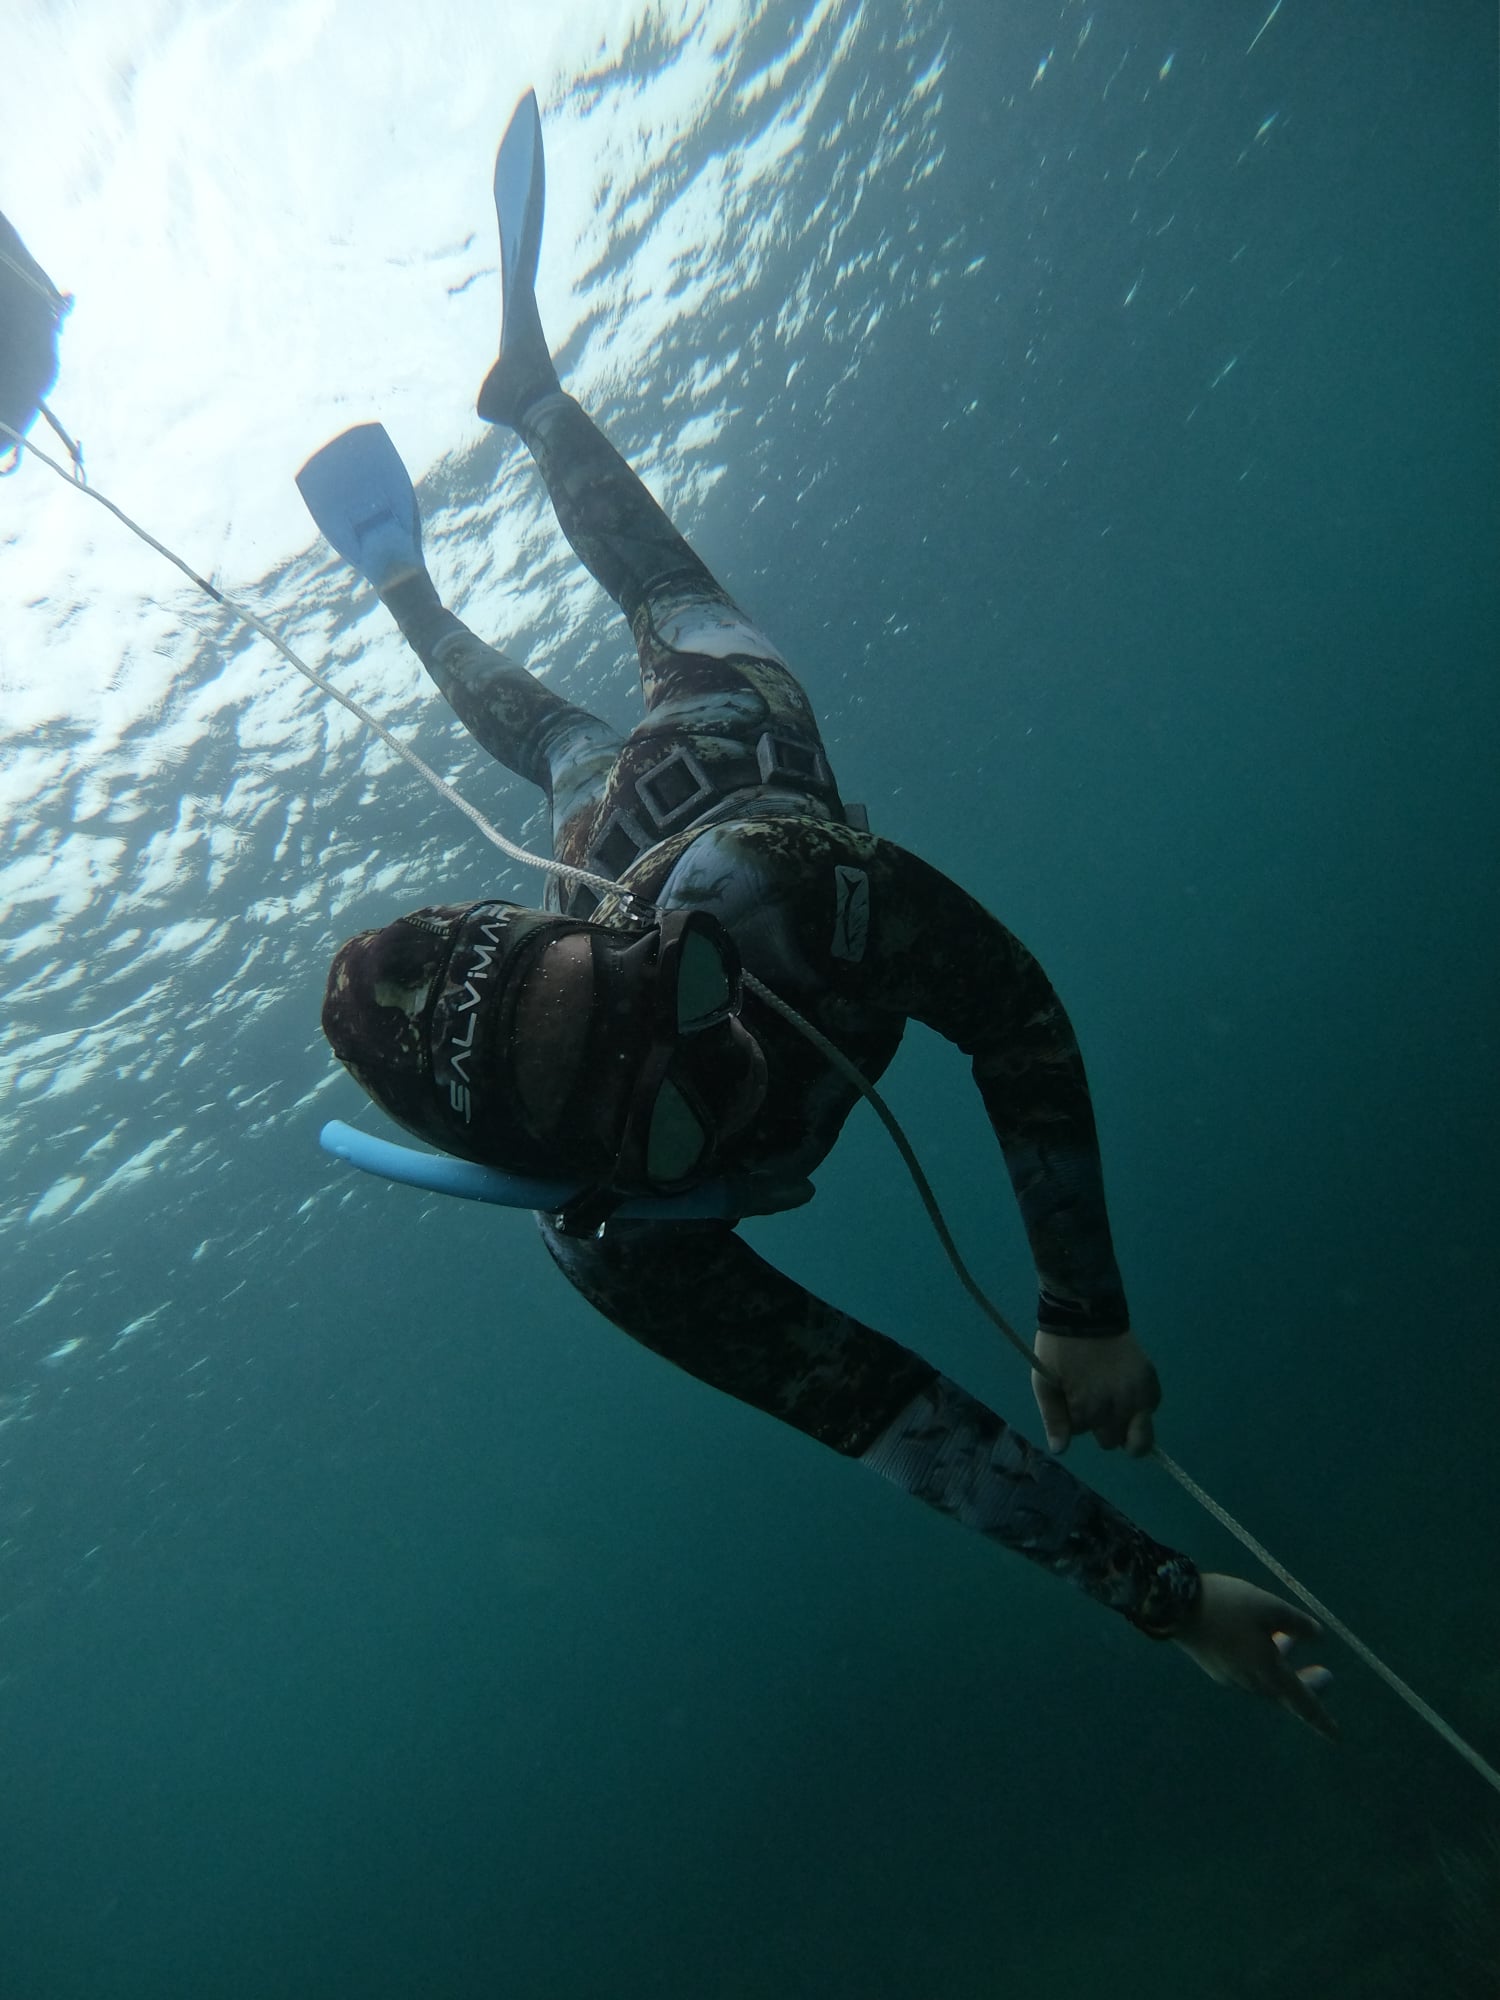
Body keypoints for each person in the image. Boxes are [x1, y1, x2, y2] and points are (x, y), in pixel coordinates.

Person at [299, 91, 1334, 1739]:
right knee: (567, 744)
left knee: (674, 644)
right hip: (612, 840)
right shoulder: (617, 1252)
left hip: (728, 771)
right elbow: (879, 1410)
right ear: (557, 1179)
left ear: (626, 940)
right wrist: (1167, 1599)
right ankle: (427, 566)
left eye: (662, 991)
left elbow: (1010, 1010)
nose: (697, 1056)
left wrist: (1083, 1308)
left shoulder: (757, 908)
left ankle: (528, 407)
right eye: (637, 1117)